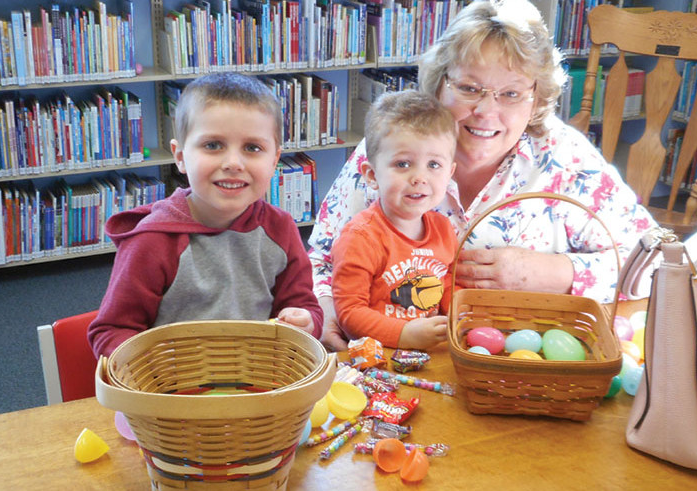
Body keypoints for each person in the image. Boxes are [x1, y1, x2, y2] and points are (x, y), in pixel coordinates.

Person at [309, 0, 658, 351]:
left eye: (511, 93)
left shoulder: (567, 159)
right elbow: (321, 258)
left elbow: (655, 264)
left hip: (524, 362)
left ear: (536, 99)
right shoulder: (393, 146)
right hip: (392, 356)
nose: (486, 111)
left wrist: (553, 272)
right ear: (440, 85)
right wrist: (326, 310)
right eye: (470, 88)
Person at [88, 73, 322, 358]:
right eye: (213, 145)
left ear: (274, 160)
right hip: (173, 389)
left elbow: (305, 306)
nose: (233, 163)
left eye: (253, 148)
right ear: (181, 157)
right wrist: (155, 367)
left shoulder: (280, 228)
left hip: (257, 382)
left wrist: (306, 321)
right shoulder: (153, 241)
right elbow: (111, 331)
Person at [331, 90, 458, 350]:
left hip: (429, 355)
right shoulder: (360, 237)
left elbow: (446, 284)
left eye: (434, 165)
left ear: (450, 172)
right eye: (403, 164)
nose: (419, 177)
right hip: (378, 360)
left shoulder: (444, 230)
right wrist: (405, 334)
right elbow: (350, 314)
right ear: (371, 175)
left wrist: (457, 315)